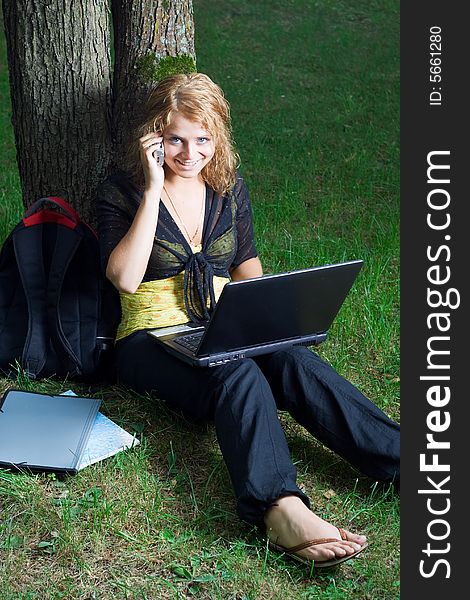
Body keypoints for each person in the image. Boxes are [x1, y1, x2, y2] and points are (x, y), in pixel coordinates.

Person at [97, 72, 399, 568]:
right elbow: (124, 278)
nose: (189, 154)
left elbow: (247, 270)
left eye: (202, 139)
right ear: (154, 136)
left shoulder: (227, 188)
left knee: (291, 360)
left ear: (218, 137)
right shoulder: (123, 191)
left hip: (221, 323)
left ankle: (405, 458)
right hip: (150, 337)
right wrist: (153, 191)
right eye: (175, 139)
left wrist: (264, 323)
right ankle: (281, 508)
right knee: (235, 373)